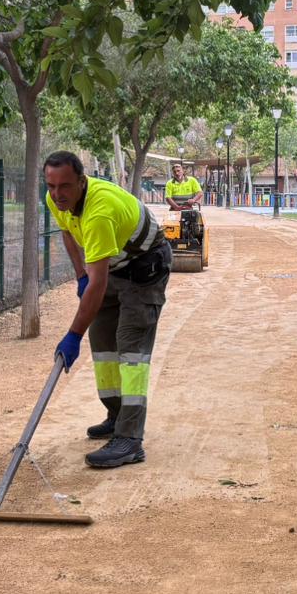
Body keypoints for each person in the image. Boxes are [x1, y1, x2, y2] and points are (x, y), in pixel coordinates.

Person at [44, 150, 172, 468]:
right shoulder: (56, 200)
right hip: (115, 265)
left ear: (81, 182)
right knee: (102, 342)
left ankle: (130, 440)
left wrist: (73, 335)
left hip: (145, 267)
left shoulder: (99, 212)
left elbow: (99, 283)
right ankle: (116, 416)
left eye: (64, 186)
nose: (57, 194)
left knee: (131, 351)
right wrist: (80, 275)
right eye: (51, 186)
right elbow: (67, 232)